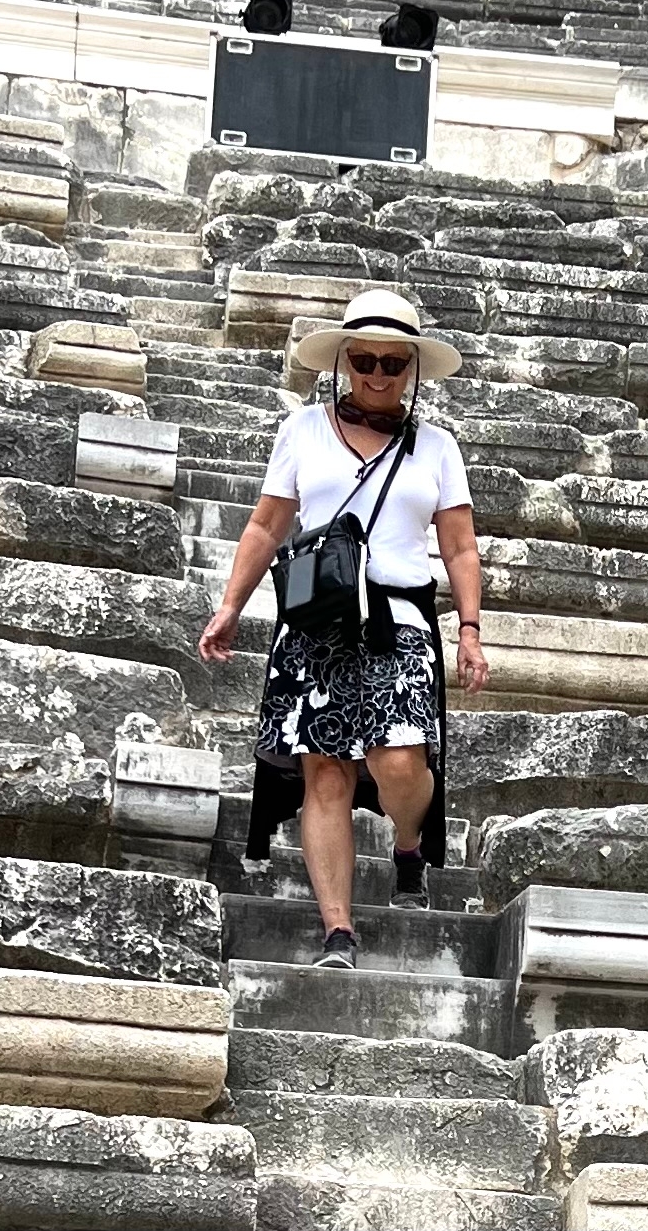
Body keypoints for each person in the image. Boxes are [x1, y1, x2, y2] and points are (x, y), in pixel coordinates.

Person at [199, 288, 488, 970]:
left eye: (393, 363)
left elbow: (459, 546)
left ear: (411, 369)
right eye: (364, 360)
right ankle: (337, 932)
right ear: (343, 361)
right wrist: (230, 604)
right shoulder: (302, 430)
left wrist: (470, 628)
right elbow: (267, 524)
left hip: (399, 621)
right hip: (316, 622)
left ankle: (408, 842)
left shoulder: (436, 446)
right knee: (325, 773)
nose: (378, 375)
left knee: (399, 760)